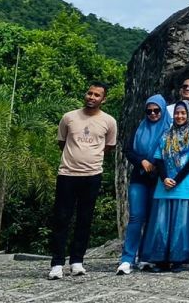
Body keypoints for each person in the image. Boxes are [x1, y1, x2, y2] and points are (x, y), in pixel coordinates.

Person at [48, 82, 118, 279]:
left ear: (103, 99)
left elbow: (109, 146)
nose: (92, 97)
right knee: (61, 219)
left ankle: (77, 260)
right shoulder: (69, 117)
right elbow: (62, 142)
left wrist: (90, 157)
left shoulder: (109, 121)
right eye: (90, 93)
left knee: (84, 220)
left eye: (97, 95)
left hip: (92, 175)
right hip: (67, 174)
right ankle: (57, 263)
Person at [142, 101, 189, 271]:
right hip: (165, 185)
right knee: (161, 223)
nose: (179, 116)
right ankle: (161, 259)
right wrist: (164, 179)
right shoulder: (165, 135)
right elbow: (159, 158)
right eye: (177, 113)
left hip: (186, 185)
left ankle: (178, 259)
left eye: (183, 113)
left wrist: (175, 179)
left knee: (181, 223)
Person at [117, 95, 168, 275]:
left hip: (159, 179)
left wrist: (156, 162)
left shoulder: (168, 129)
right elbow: (128, 150)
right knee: (136, 217)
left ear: (162, 110)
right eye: (149, 111)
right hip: (140, 177)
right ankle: (127, 258)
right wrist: (142, 161)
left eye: (156, 110)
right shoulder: (140, 128)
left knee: (152, 219)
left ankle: (145, 257)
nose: (153, 114)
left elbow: (171, 150)